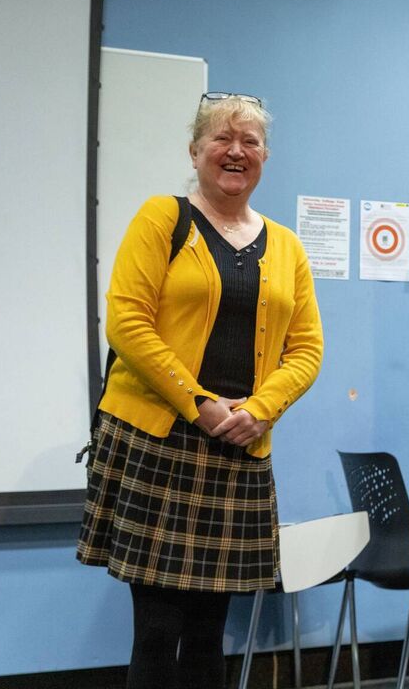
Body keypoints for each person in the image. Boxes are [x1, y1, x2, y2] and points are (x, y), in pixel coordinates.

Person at [77, 92, 324, 689]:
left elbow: (308, 349)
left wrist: (261, 411)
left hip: (240, 449)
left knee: (212, 636)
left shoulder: (287, 245)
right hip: (158, 443)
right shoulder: (162, 218)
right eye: (221, 138)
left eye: (250, 142)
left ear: (265, 156)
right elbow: (127, 323)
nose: (236, 151)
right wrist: (200, 403)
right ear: (195, 151)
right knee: (157, 633)